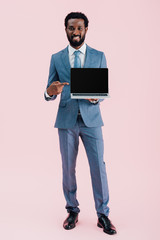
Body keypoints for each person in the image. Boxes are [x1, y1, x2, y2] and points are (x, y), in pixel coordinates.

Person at [44, 12, 117, 235]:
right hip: (66, 120)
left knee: (98, 166)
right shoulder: (57, 58)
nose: (75, 32)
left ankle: (102, 214)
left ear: (86, 29)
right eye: (71, 28)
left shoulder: (98, 55)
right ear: (65, 29)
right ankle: (72, 210)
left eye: (79, 28)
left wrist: (97, 97)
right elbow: (48, 91)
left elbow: (103, 90)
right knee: (68, 168)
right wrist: (50, 91)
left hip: (91, 119)